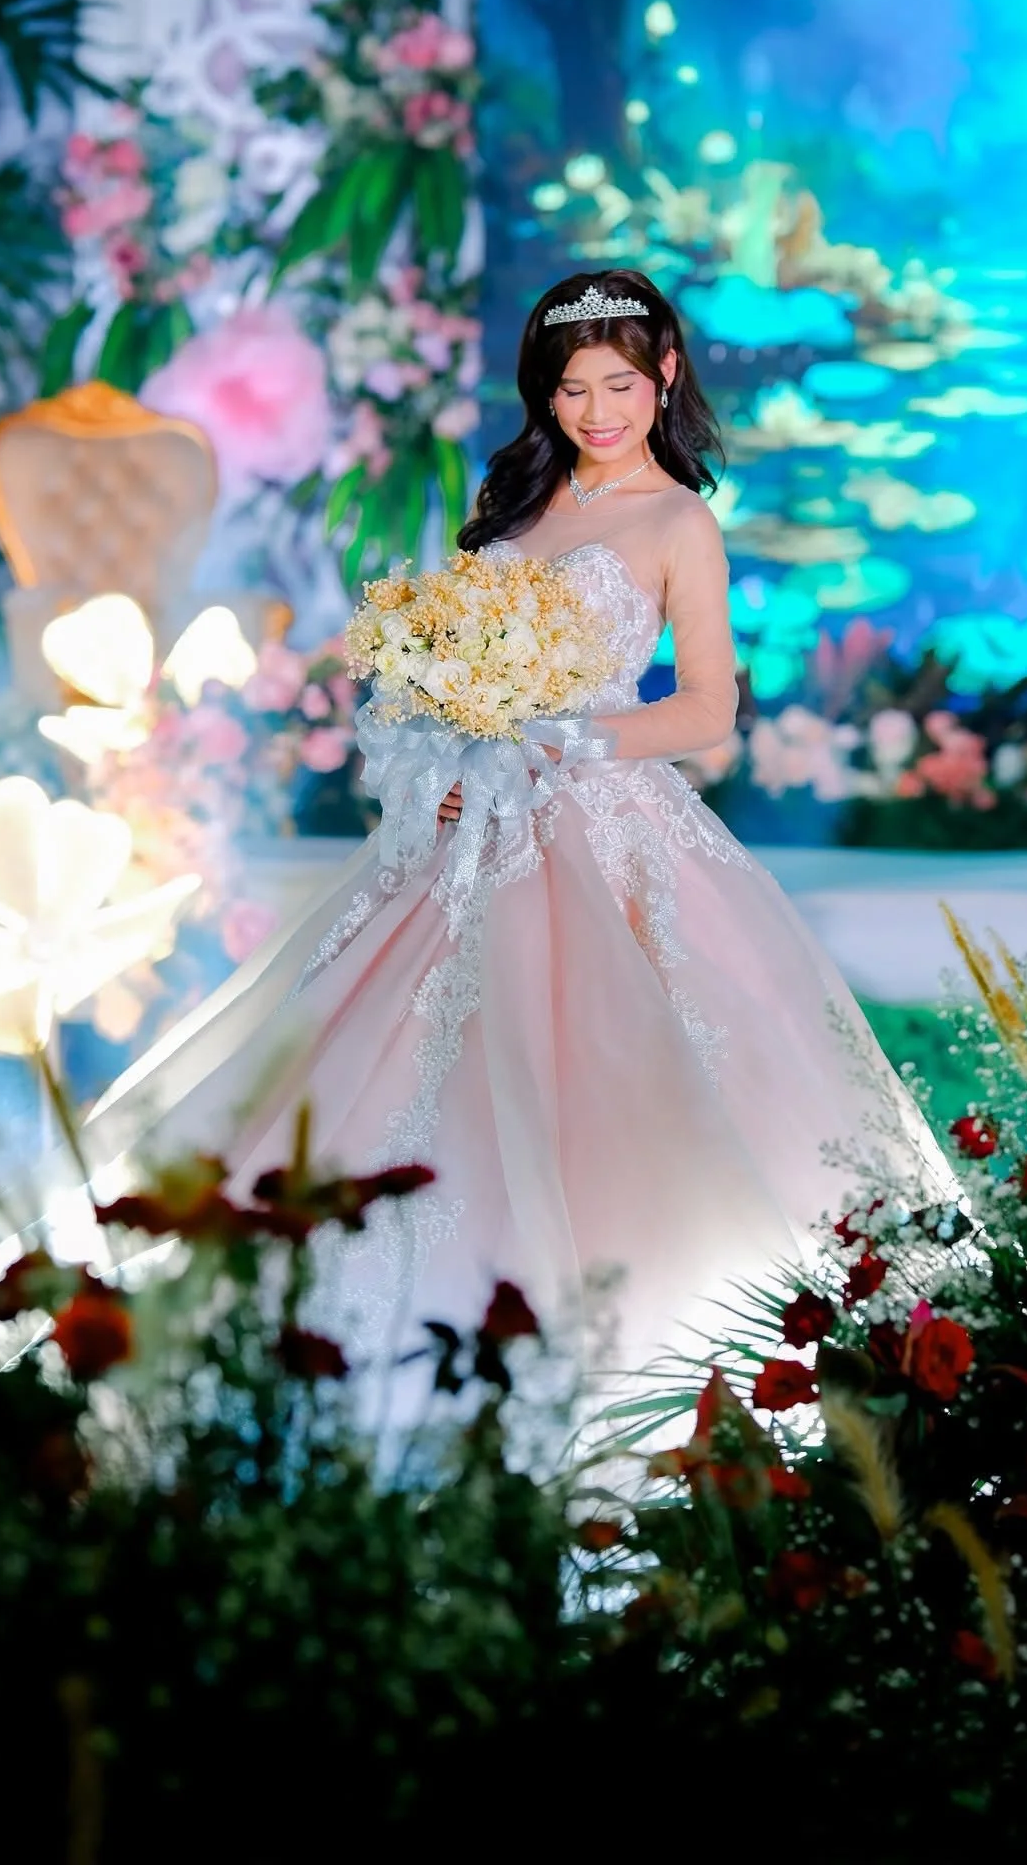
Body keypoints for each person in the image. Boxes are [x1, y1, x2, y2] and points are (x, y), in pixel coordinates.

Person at [87, 268, 951, 1372]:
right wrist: (441, 757)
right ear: (544, 395)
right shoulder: (518, 505)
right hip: (470, 826)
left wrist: (565, 740)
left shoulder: (677, 518)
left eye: (619, 385)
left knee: (599, 1048)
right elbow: (449, 676)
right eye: (571, 389)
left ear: (665, 375)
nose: (596, 411)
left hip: (605, 823)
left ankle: (628, 1341)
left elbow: (707, 708)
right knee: (390, 1049)